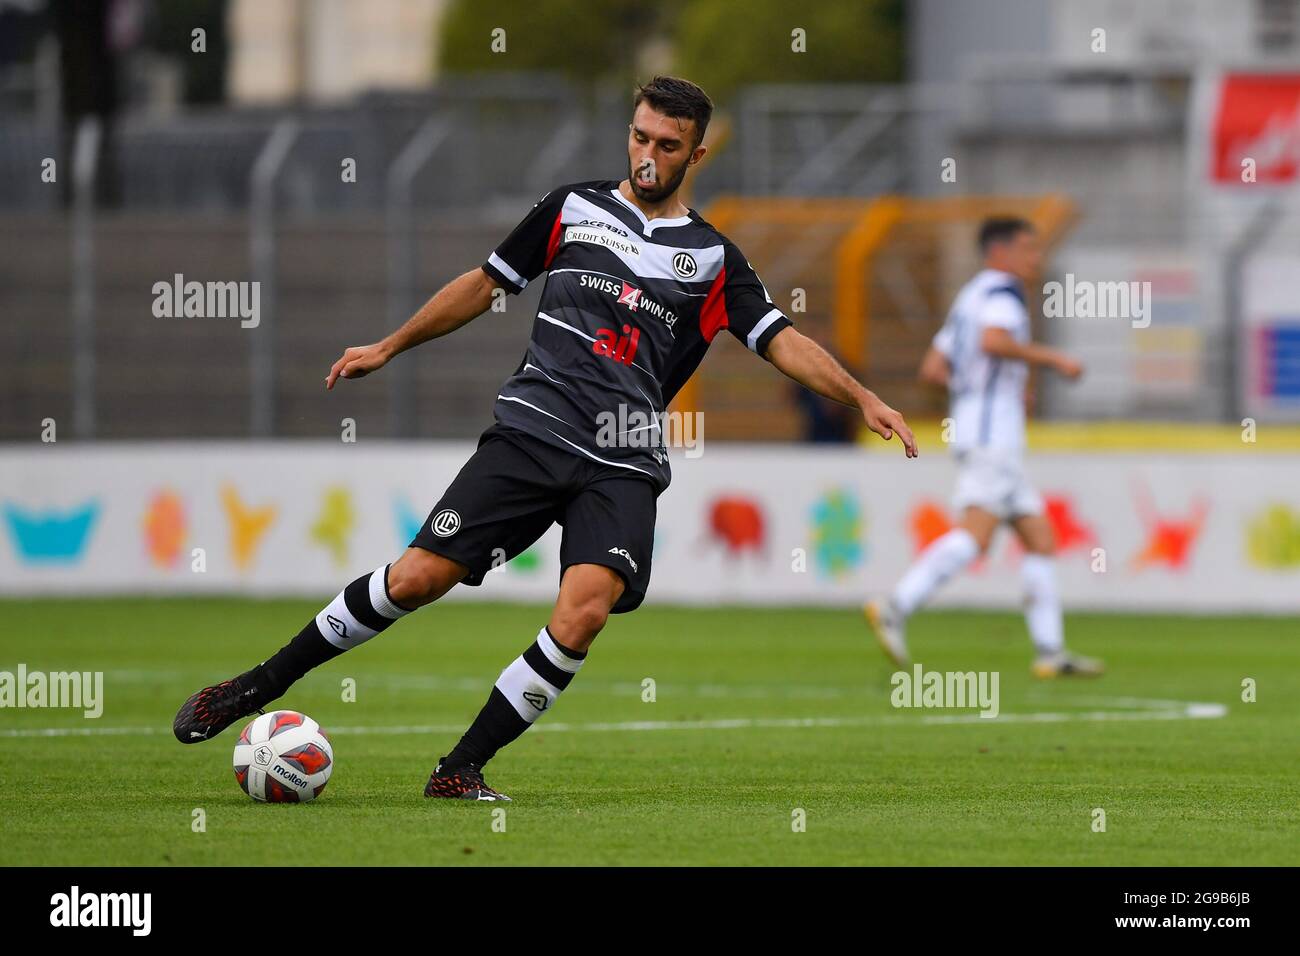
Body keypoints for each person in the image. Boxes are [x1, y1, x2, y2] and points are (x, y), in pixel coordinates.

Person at [173, 76, 917, 801]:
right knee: (414, 580)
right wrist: (389, 345)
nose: (648, 155)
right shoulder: (573, 208)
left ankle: (458, 769)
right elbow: (484, 282)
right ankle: (253, 687)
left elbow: (779, 339)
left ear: (695, 155)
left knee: (586, 609)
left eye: (668, 144)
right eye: (640, 136)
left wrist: (862, 396)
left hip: (622, 456)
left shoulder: (714, 259)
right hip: (533, 430)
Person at [865, 217, 1102, 679]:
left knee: (1039, 537)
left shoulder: (969, 296)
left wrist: (978, 388)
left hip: (979, 427)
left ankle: (1050, 651)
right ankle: (896, 605)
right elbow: (994, 342)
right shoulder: (1002, 294)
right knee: (976, 536)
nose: (1036, 259)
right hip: (994, 433)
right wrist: (1053, 360)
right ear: (1000, 252)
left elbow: (933, 369)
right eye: (1028, 249)